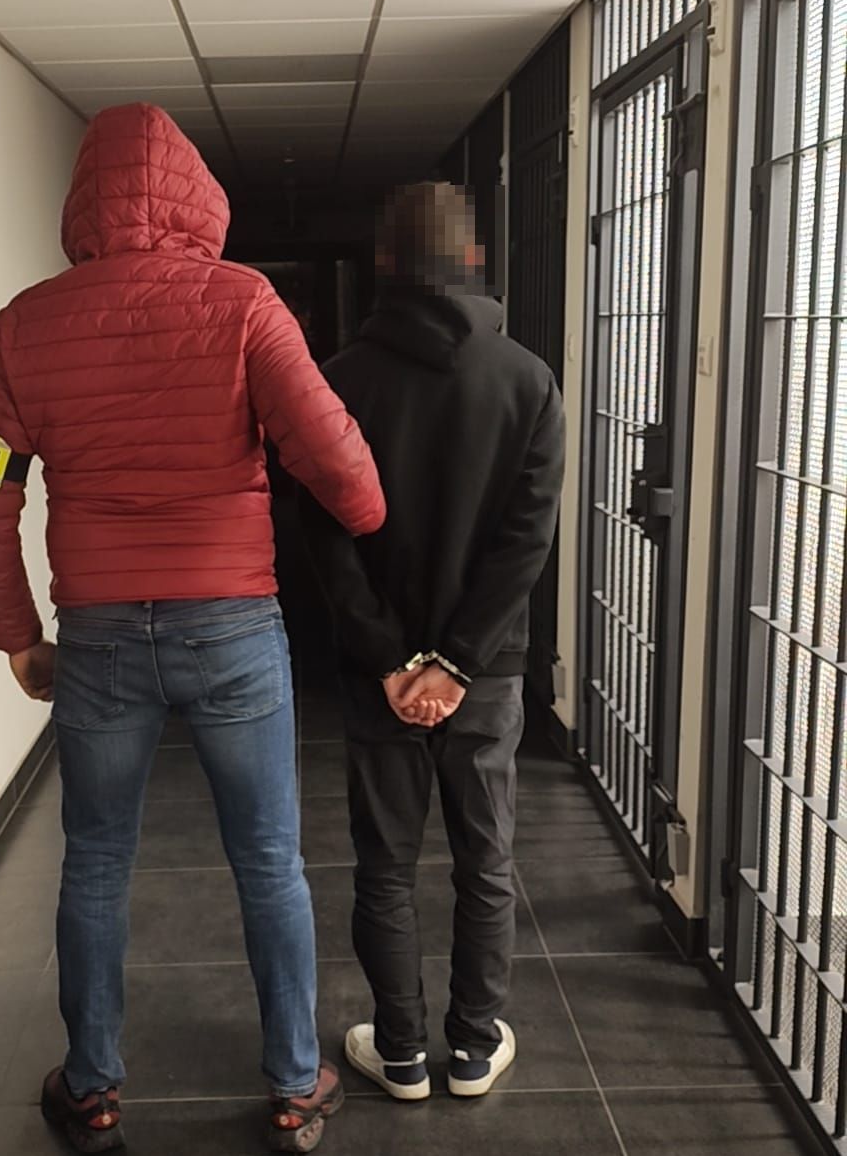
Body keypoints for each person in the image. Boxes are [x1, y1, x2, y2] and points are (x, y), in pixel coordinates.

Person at [0, 103, 385, 1155]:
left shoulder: (26, 324)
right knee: (269, 860)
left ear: (80, 204)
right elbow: (337, 462)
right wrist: (366, 511)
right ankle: (295, 1084)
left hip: (97, 636)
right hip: (232, 627)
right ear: (198, 198)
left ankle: (91, 1087)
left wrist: (19, 638)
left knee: (95, 862)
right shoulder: (243, 301)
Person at [299, 181, 564, 1102]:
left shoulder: (339, 381)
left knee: (386, 868)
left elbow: (325, 537)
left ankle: (402, 1053)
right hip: (485, 677)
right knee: (485, 863)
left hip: (379, 677)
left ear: (386, 265)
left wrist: (390, 656)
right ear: (473, 260)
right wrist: (458, 662)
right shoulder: (528, 380)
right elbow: (526, 540)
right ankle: (475, 1048)